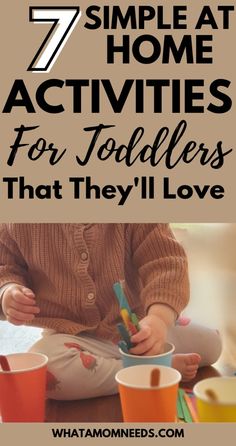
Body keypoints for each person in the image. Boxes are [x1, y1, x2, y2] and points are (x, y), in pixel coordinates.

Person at [0, 223, 222, 400]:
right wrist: (7, 292)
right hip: (71, 338)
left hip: (140, 327)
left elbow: (165, 262)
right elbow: (6, 267)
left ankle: (138, 362)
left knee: (212, 344)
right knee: (48, 371)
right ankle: (155, 367)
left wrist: (160, 319)